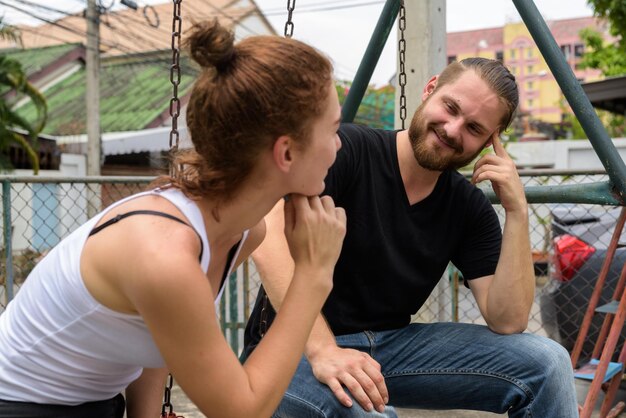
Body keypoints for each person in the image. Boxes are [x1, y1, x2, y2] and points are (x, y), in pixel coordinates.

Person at [0, 19, 347, 418]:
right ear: (286, 153)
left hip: (95, 402)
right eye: (334, 129)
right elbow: (242, 411)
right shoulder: (163, 251)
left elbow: (160, 327)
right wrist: (313, 275)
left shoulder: (240, 229)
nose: (339, 144)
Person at [243, 57, 579, 418]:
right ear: (430, 88)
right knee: (369, 415)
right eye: (450, 108)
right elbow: (267, 237)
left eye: (474, 128)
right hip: (297, 346)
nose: (452, 129)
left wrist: (518, 212)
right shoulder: (350, 150)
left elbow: (508, 319)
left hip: (393, 349)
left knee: (548, 364)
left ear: (488, 143)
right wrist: (324, 350)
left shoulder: (468, 207)